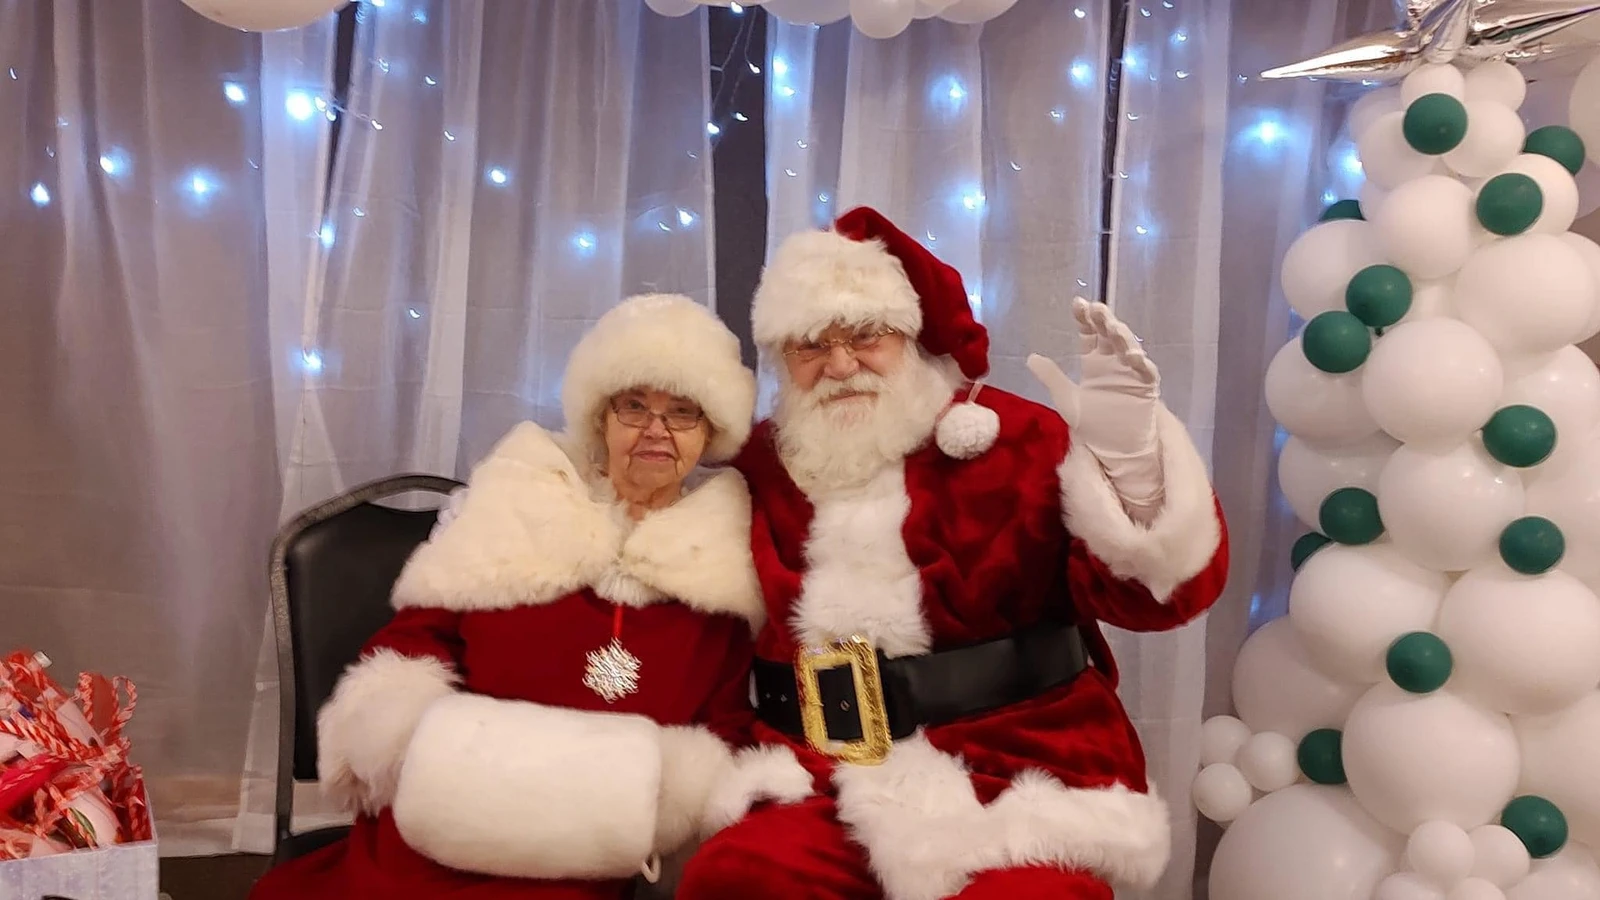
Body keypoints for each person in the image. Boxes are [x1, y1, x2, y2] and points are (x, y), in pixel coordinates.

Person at [677, 207, 1231, 900]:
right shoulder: (764, 462)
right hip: (819, 776)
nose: (840, 364)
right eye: (809, 345)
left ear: (912, 335)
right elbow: (714, 628)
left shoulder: (1019, 437)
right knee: (734, 878)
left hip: (1021, 769)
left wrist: (1133, 466)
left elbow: (1160, 598)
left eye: (865, 335)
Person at [249, 294, 791, 900]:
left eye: (682, 412)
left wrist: (673, 797)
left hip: (590, 838)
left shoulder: (726, 558)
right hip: (454, 809)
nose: (655, 430)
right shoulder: (518, 499)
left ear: (710, 431)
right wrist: (416, 748)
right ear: (601, 418)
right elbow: (414, 640)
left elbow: (726, 720)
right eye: (633, 406)